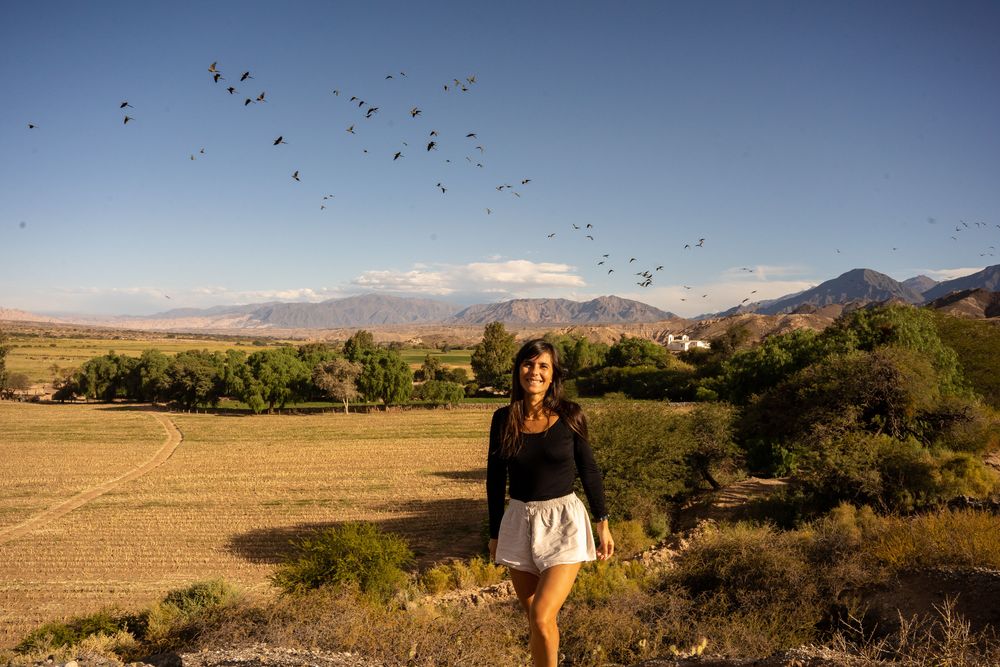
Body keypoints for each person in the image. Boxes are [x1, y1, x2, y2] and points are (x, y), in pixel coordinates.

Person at [487, 338, 613, 667]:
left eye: (543, 366)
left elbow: (588, 469)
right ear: (518, 370)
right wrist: (494, 533)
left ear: (553, 373)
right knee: (538, 621)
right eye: (529, 364)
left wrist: (603, 522)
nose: (535, 372)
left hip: (563, 523)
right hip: (518, 521)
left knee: (542, 616)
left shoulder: (570, 415)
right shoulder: (503, 419)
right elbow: (495, 479)